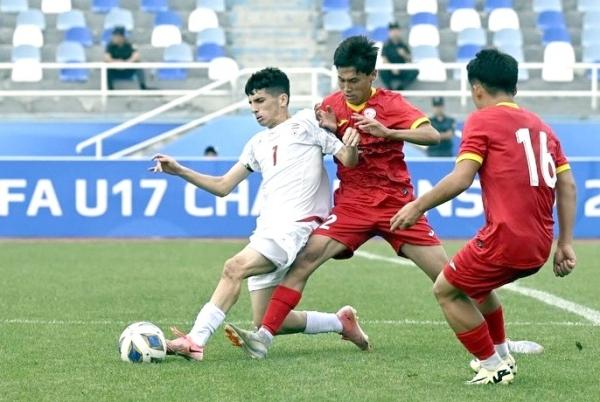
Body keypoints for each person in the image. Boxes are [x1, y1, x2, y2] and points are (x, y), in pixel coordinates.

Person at [225, 37, 545, 361]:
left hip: (396, 204)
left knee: (452, 278)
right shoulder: (330, 106)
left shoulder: (392, 104)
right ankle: (264, 336)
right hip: (352, 205)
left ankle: (502, 344)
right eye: (341, 80)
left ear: (372, 75)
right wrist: (331, 131)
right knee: (304, 261)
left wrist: (389, 132)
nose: (346, 88)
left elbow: (432, 135)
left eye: (354, 80)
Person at [150, 67, 367, 361]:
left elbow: (348, 159)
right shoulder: (256, 144)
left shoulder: (306, 123)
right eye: (251, 103)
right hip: (268, 229)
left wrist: (351, 143)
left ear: (282, 99)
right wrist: (179, 171)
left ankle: (195, 341)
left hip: (295, 228)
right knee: (268, 320)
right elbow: (223, 186)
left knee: (233, 267)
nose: (255, 109)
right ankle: (340, 322)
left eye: (261, 101)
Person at [390, 49, 577, 384]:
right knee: (476, 287)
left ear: (476, 88)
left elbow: (461, 178)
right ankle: (502, 354)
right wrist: (564, 243)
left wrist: (417, 206)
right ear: (513, 87)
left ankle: (492, 365)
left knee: (445, 290)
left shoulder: (481, 120)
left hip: (506, 238)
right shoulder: (543, 128)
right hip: (540, 244)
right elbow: (568, 185)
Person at [379, 23, 419, 90]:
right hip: (390, 70)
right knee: (382, 71)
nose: (394, 33)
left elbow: (410, 60)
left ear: (399, 32)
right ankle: (389, 88)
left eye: (396, 31)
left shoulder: (403, 45)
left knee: (415, 71)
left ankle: (401, 87)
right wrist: (392, 68)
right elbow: (384, 59)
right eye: (392, 31)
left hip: (402, 70)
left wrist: (404, 54)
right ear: (389, 33)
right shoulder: (386, 45)